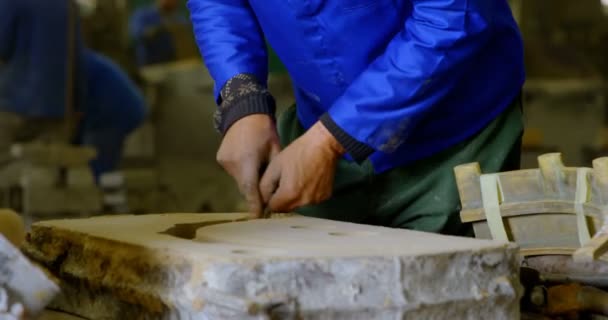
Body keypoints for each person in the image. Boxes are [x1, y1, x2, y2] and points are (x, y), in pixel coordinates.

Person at [188, 0, 525, 235]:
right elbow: (218, 3)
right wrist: (241, 98)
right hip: (319, 123)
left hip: (453, 133)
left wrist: (332, 137)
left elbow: (452, 16)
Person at [0, 0, 146, 179]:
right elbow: (74, 66)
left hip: (16, 104)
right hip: (58, 109)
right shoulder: (68, 6)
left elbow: (3, 45)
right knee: (53, 172)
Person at [129, 0, 189, 66]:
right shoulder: (142, 15)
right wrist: (161, 28)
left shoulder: (179, 19)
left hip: (174, 64)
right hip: (149, 66)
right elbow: (138, 35)